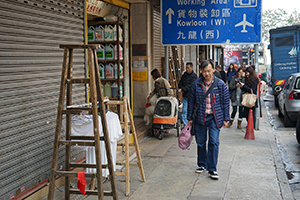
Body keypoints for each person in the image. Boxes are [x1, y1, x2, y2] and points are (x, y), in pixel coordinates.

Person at [187, 60, 230, 180]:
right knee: (201, 142)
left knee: (214, 142)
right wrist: (189, 118)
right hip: (200, 117)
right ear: (201, 71)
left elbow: (226, 102)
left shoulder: (220, 84)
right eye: (205, 71)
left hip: (214, 118)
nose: (207, 74)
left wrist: (226, 118)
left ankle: (212, 168)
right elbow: (191, 102)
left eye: (209, 71)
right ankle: (202, 164)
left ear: (213, 71)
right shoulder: (196, 84)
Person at [178, 62, 198, 126]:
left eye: (188, 68)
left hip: (192, 96)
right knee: (184, 111)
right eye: (186, 68)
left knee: (191, 111)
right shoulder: (184, 75)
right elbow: (180, 83)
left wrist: (183, 89)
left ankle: (190, 124)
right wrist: (181, 87)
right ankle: (186, 125)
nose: (187, 69)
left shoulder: (194, 76)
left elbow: (191, 86)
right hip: (185, 96)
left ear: (192, 68)